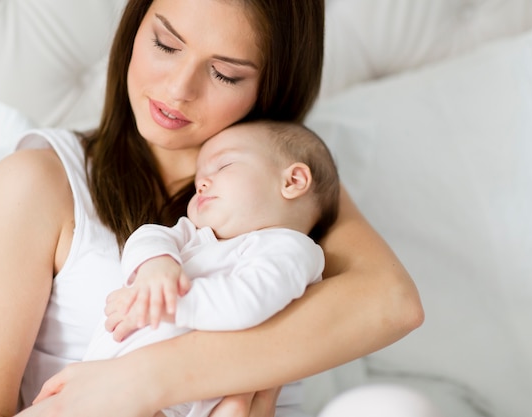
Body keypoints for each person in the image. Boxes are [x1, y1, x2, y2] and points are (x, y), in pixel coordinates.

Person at [0, 1, 425, 417]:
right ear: (135, 26)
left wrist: (144, 380)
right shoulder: (41, 181)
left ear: (270, 85)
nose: (177, 89)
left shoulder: (283, 185)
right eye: (166, 44)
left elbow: (392, 303)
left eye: (225, 74)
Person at [69, 120, 340, 417]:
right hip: (106, 380)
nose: (201, 183)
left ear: (293, 181)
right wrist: (154, 266)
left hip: (181, 399)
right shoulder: (198, 236)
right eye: (199, 177)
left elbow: (246, 302)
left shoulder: (292, 250)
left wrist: (160, 303)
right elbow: (149, 235)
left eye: (222, 166)